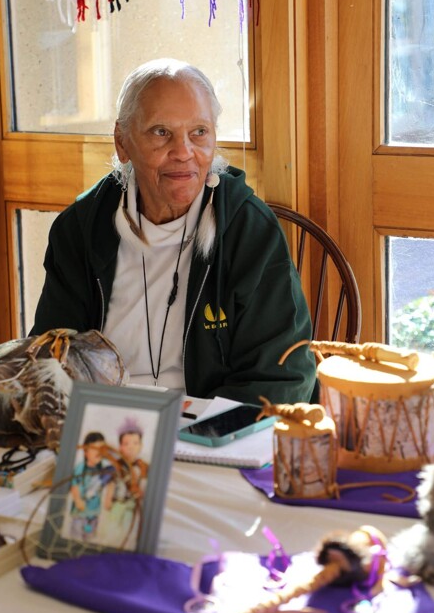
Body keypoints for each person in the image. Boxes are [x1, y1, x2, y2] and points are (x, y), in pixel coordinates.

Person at [32, 58, 316, 403]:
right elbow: (51, 355)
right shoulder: (82, 229)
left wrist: (197, 435)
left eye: (199, 132)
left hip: (208, 430)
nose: (183, 153)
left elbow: (281, 375)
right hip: (103, 425)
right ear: (122, 142)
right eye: (160, 132)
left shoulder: (247, 231)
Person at [98, 417, 149, 549]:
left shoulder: (141, 466)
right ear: (120, 447)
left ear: (141, 446)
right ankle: (108, 545)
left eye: (135, 443)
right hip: (117, 502)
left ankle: (126, 545)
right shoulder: (117, 466)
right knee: (111, 526)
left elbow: (143, 482)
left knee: (128, 528)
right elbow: (112, 482)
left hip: (131, 504)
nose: (131, 448)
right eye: (126, 444)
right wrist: (108, 498)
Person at [68, 431, 111, 543]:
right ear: (86, 451)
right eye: (94, 449)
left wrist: (109, 498)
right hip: (79, 513)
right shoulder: (80, 468)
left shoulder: (105, 469)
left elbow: (112, 481)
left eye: (102, 449)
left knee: (90, 538)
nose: (99, 452)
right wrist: (77, 500)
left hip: (94, 513)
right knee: (76, 538)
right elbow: (74, 484)